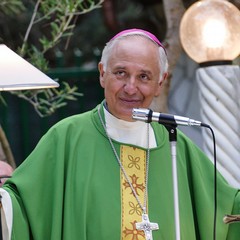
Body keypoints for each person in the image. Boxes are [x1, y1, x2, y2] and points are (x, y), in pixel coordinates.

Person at [0, 28, 240, 240]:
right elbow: (20, 207)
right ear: (102, 73)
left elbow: (226, 211)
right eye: (121, 73)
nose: (131, 88)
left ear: (160, 82)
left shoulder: (176, 145)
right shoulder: (67, 137)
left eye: (144, 76)